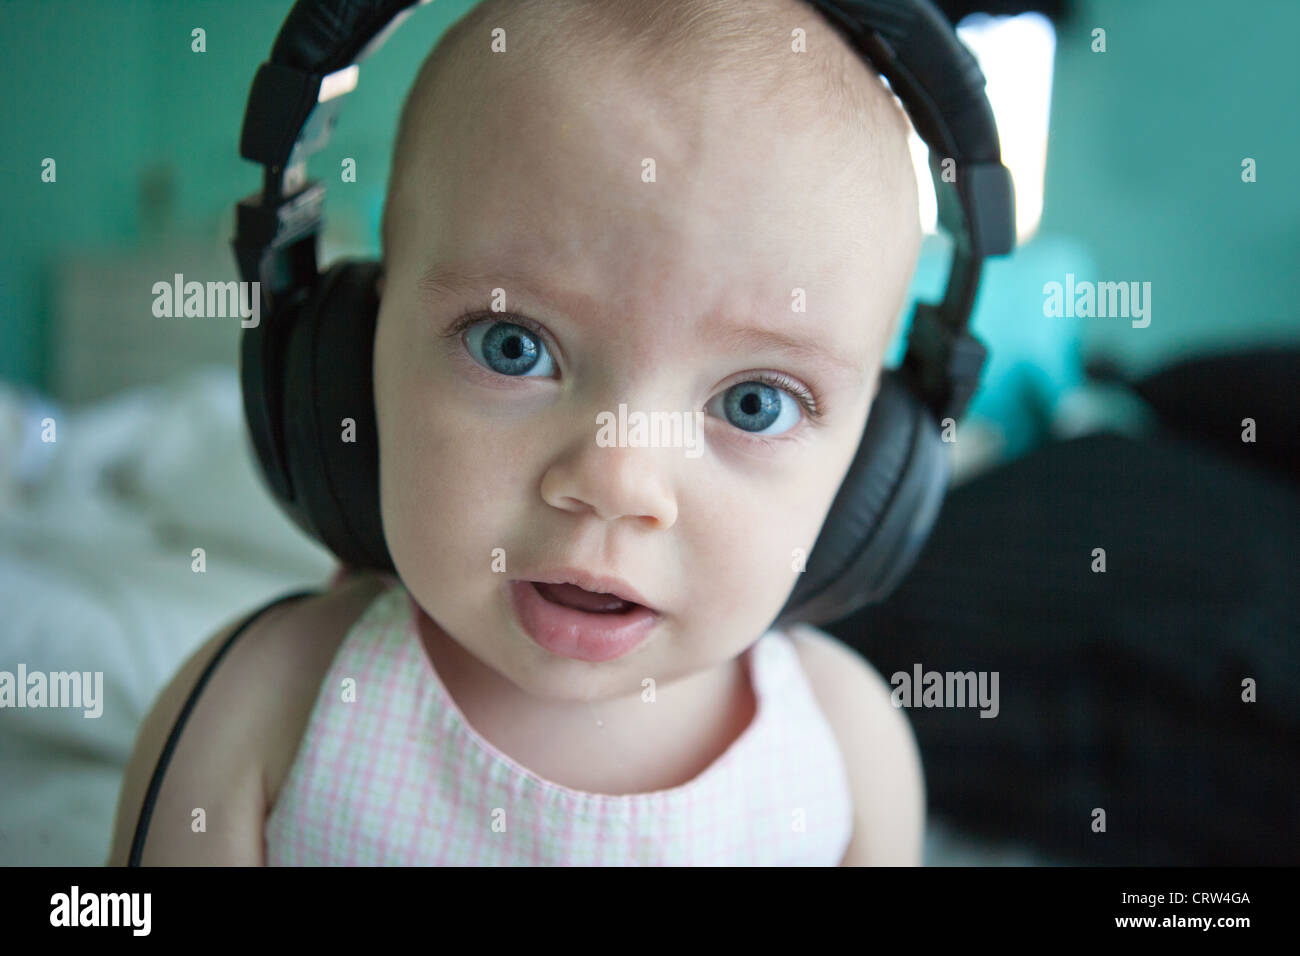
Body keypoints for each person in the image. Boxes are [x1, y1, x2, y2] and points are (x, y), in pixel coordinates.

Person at [109, 0, 927, 866]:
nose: (616, 482)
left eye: (755, 402)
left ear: (873, 465)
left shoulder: (844, 753)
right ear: (350, 356)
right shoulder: (264, 704)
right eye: (514, 346)